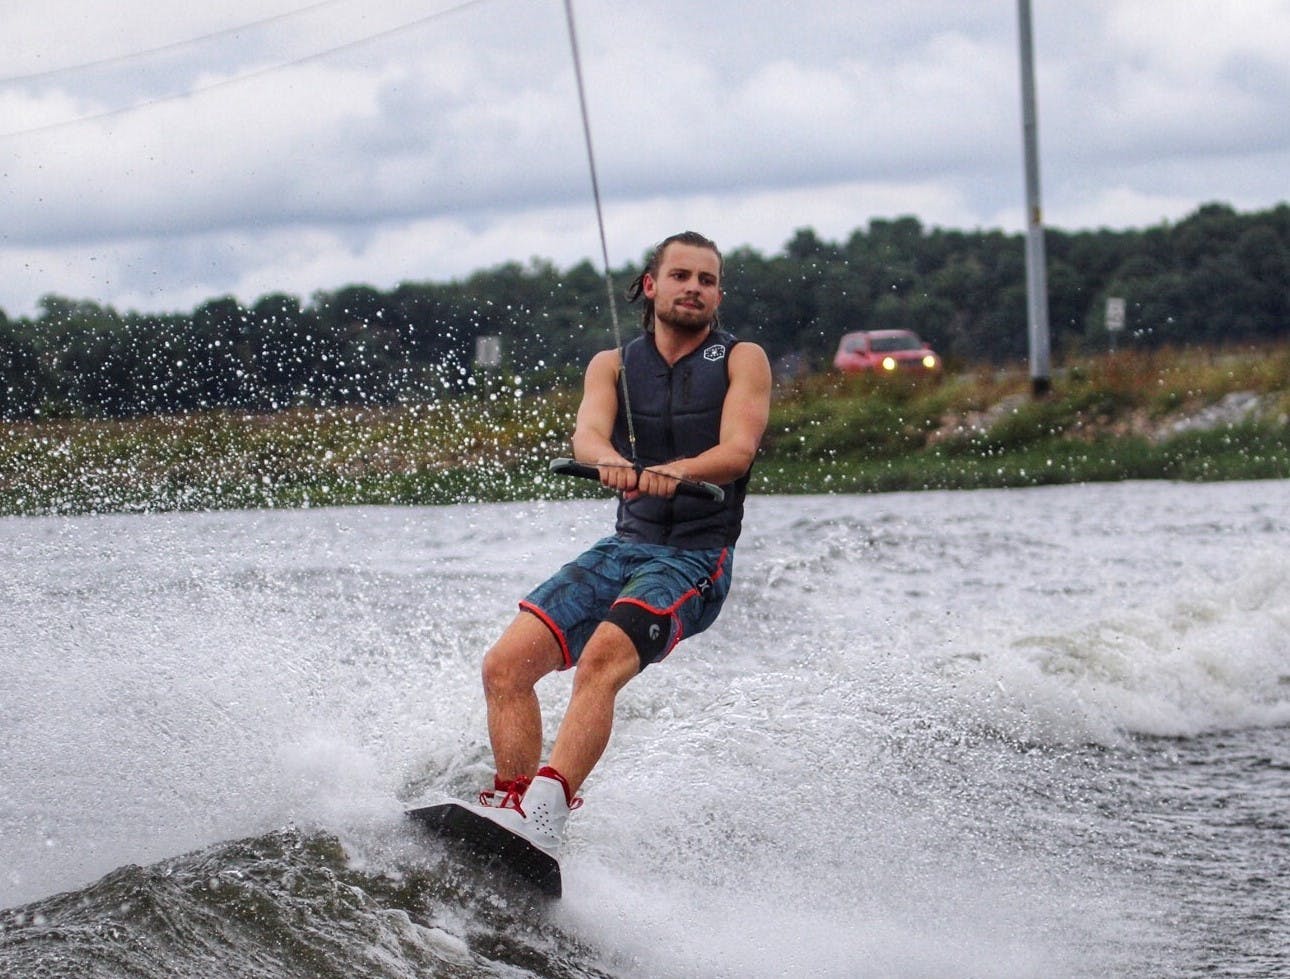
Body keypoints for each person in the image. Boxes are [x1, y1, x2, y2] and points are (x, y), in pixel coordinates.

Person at [469, 231, 772, 856]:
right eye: (682, 276)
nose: (694, 288)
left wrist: (678, 471)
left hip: (696, 558)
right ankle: (512, 809)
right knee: (505, 667)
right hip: (624, 548)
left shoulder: (744, 359)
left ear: (718, 295)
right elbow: (588, 436)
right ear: (651, 285)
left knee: (604, 657)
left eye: (708, 280)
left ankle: (547, 815)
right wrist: (608, 462)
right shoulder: (611, 364)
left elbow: (738, 451)